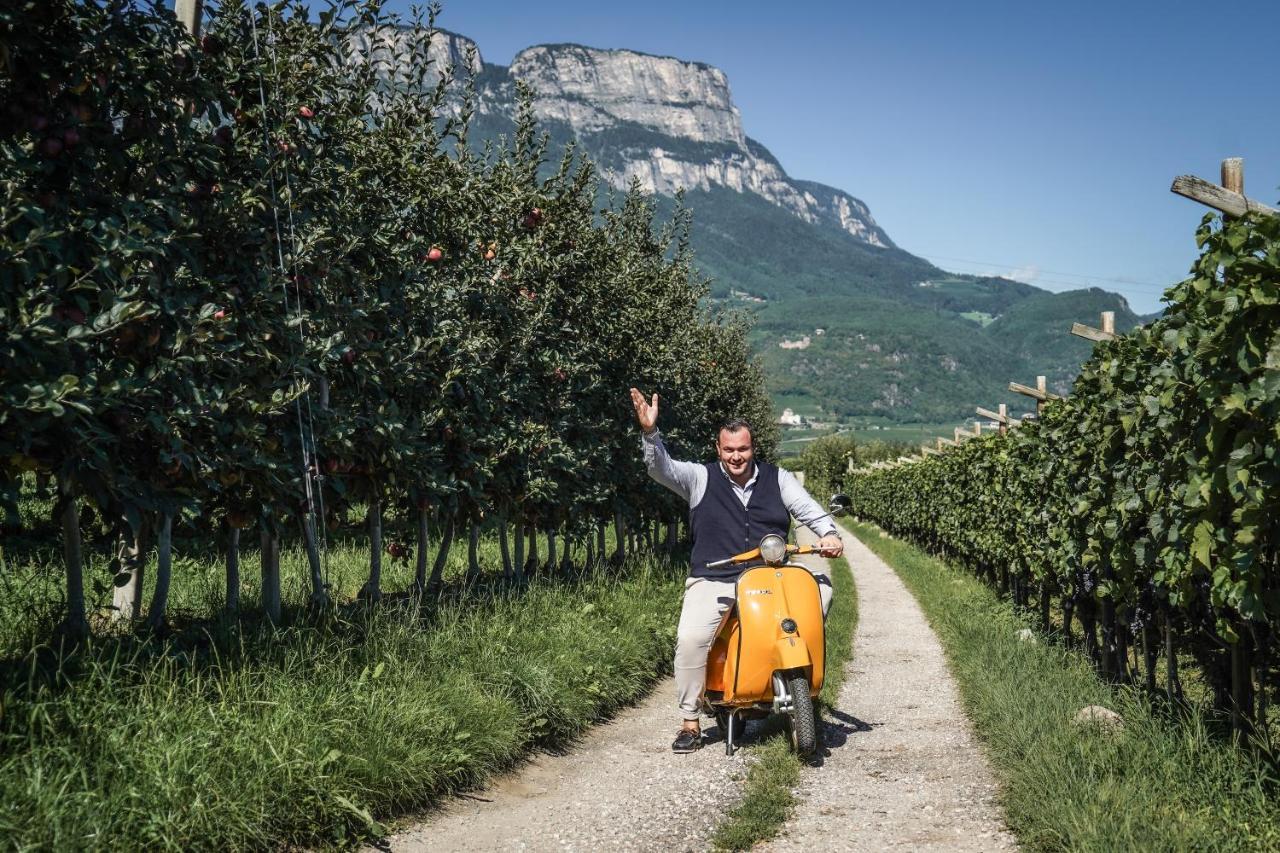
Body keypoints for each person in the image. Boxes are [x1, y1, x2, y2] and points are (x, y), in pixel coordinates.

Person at [629, 387, 844, 753]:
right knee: (691, 638)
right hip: (714, 577)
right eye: (728, 450)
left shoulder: (778, 479)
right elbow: (660, 468)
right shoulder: (699, 478)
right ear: (718, 449)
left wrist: (828, 533)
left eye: (742, 449)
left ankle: (784, 675)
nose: (736, 456)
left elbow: (808, 509)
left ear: (752, 448)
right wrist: (651, 433)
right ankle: (690, 722)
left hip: (769, 577)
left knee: (820, 588)